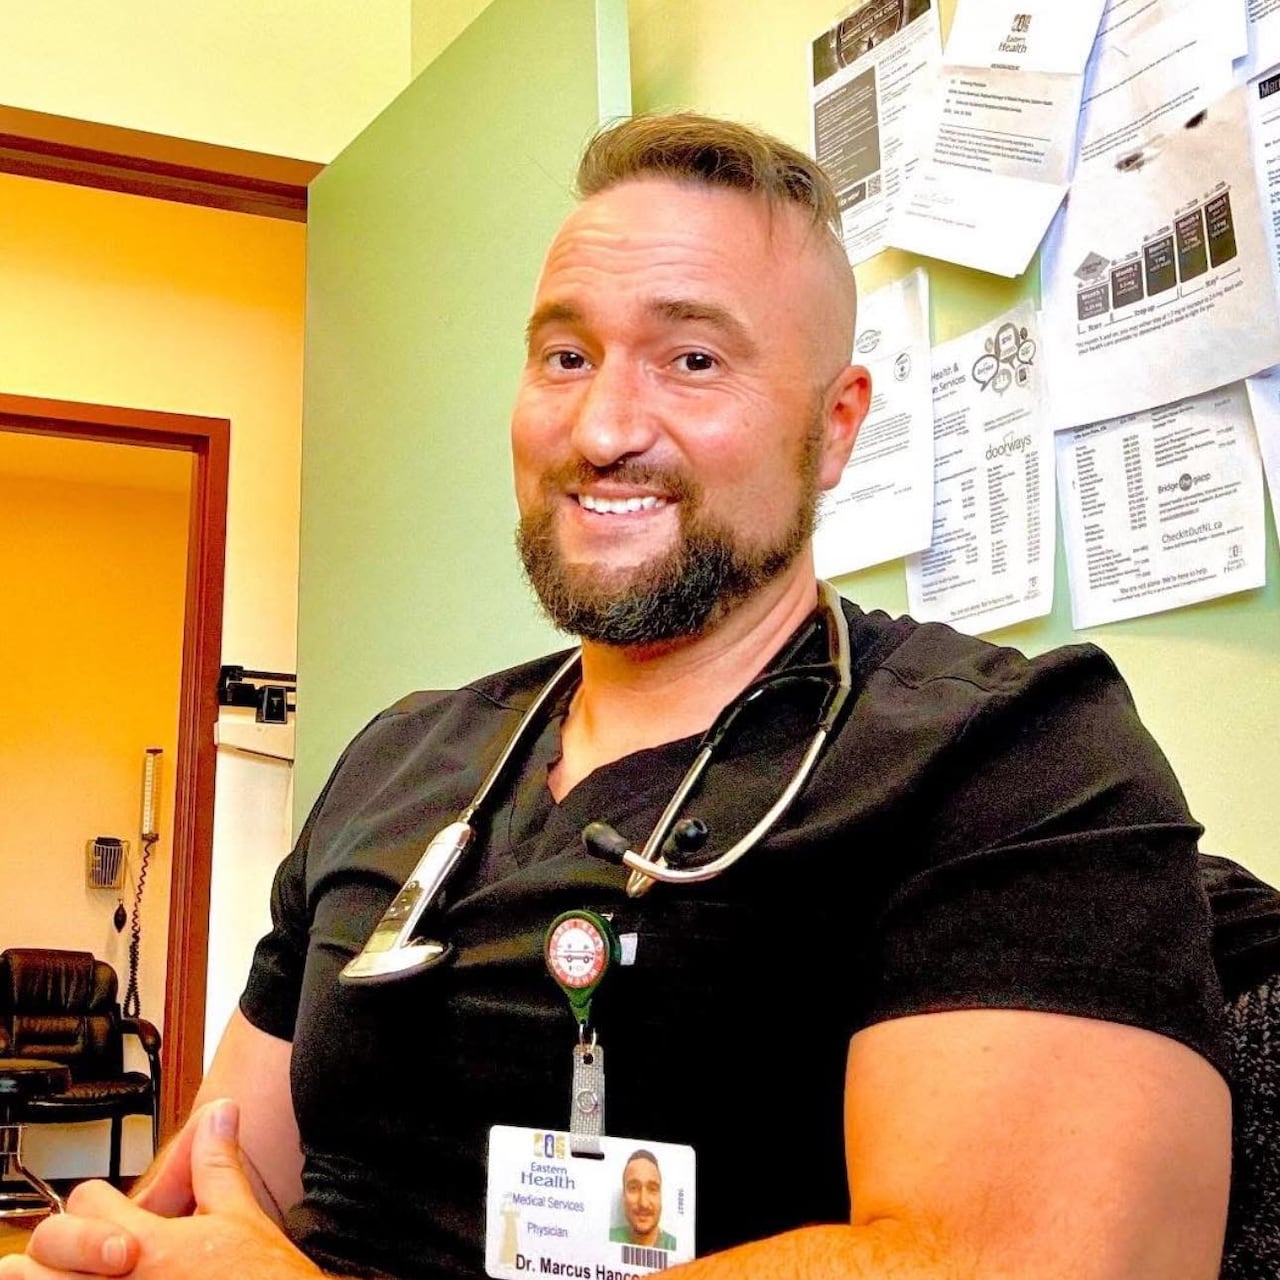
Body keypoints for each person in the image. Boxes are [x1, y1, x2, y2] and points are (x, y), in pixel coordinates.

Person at [4, 111, 1260, 1280]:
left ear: (835, 427)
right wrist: (108, 1248)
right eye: (565, 355)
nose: (602, 427)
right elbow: (217, 1186)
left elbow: (1020, 1258)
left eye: (691, 359)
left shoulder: (1006, 751)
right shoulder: (402, 753)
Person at [609, 1150, 676, 1251]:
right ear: (624, 1195)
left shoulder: (679, 1248)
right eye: (633, 1188)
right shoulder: (606, 1239)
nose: (643, 1203)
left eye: (652, 1189)